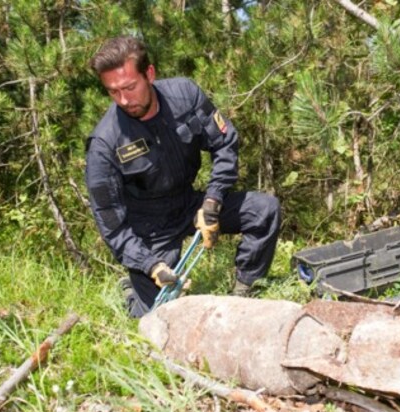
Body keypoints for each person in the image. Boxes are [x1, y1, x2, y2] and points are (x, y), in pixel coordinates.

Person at [85, 36, 281, 318]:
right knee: (158, 317)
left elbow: (225, 144)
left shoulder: (185, 97)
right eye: (113, 92)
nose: (124, 100)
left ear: (149, 74)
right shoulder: (105, 144)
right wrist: (150, 264)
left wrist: (212, 202)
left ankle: (246, 292)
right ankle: (132, 292)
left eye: (130, 87)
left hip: (190, 203)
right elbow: (113, 226)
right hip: (149, 229)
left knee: (264, 210)